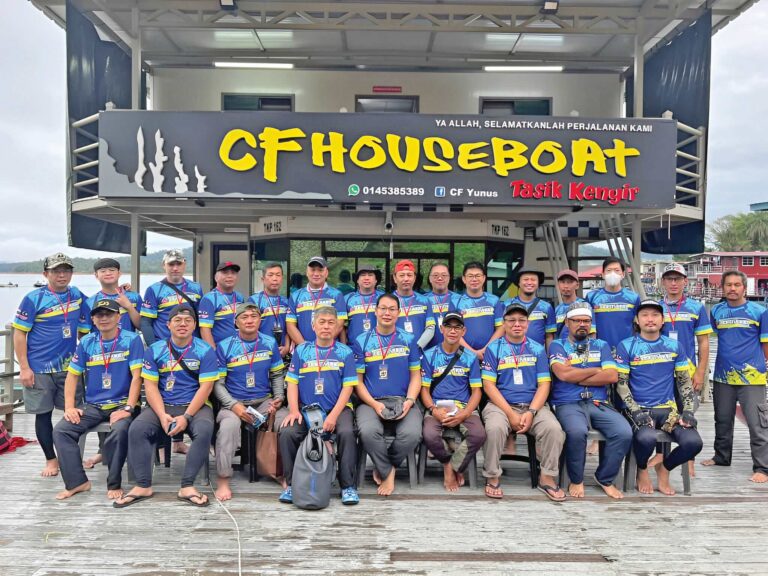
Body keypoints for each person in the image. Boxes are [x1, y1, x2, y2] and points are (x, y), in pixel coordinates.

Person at [114, 304, 218, 508]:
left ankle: (187, 486)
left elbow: (206, 388)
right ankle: (143, 485)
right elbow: (150, 386)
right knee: (137, 429)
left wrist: (186, 417)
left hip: (194, 406)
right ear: (168, 325)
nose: (182, 324)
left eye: (188, 321)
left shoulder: (205, 350)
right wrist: (162, 415)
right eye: (177, 320)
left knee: (205, 429)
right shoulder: (155, 349)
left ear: (194, 325)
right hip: (162, 405)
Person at [52, 299, 144, 500]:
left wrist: (128, 408)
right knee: (62, 430)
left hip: (123, 404)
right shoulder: (87, 342)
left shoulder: (132, 340)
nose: (104, 318)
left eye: (108, 314)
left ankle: (114, 483)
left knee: (119, 431)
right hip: (94, 406)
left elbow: (137, 377)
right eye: (99, 315)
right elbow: (72, 376)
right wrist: (69, 407)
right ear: (93, 319)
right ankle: (78, 482)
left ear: (118, 317)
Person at [615, 300, 703, 495]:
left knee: (693, 443)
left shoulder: (674, 346)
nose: (650, 319)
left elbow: (684, 382)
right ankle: (642, 469)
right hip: (639, 410)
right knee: (646, 438)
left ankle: (664, 468)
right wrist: (635, 410)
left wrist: (688, 410)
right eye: (645, 315)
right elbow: (621, 384)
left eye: (655, 315)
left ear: (663, 321)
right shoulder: (626, 346)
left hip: (668, 411)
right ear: (637, 320)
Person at [481, 303, 565, 501]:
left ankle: (547, 477)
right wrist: (510, 413)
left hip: (533, 405)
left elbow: (544, 384)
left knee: (554, 429)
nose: (516, 324)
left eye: (521, 320)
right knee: (494, 429)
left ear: (528, 324)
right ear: (504, 324)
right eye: (511, 320)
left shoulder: (537, 349)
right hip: (501, 405)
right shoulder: (494, 348)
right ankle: (492, 475)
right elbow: (488, 385)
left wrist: (532, 411)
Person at [12, 253, 86, 477]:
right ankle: (51, 460)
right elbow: (19, 333)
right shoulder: (33, 298)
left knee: (74, 414)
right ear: (46, 274)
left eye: (66, 270)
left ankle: (69, 458)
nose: (62, 275)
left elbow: (99, 308)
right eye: (56, 271)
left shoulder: (77, 295)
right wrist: (24, 367)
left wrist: (122, 290)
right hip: (39, 368)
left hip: (69, 368)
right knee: (43, 415)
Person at [549, 302, 632, 499]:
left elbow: (612, 376)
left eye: (586, 321)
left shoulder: (601, 345)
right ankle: (576, 479)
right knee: (577, 432)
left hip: (598, 402)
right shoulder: (558, 345)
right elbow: (562, 374)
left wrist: (575, 374)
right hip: (568, 402)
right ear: (567, 323)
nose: (582, 324)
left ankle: (604, 477)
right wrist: (596, 370)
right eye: (577, 320)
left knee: (624, 432)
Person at [279, 306, 360, 505]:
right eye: (321, 322)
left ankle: (348, 486)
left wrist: (333, 416)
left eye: (331, 323)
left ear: (337, 327)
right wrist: (294, 410)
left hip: (337, 409)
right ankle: (291, 485)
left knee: (347, 433)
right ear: (313, 326)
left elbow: (348, 387)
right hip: (307, 409)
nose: (326, 326)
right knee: (287, 432)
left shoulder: (345, 352)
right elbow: (292, 383)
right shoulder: (301, 351)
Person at [214, 303, 286, 501]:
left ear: (260, 321)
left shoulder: (269, 342)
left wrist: (278, 398)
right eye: (244, 317)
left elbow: (277, 374)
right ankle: (223, 479)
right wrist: (234, 406)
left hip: (263, 401)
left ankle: (284, 473)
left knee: (287, 423)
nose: (249, 320)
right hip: (233, 403)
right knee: (228, 427)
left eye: (254, 316)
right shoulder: (224, 346)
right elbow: (218, 384)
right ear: (236, 322)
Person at [353, 293, 422, 496]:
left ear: (398, 313)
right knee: (368, 432)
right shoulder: (362, 340)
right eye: (383, 308)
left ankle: (386, 465)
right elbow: (357, 382)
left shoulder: (409, 339)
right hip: (370, 401)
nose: (387, 313)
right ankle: (388, 471)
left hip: (402, 399)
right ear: (375, 311)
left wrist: (410, 401)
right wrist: (374, 405)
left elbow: (416, 376)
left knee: (412, 434)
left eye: (392, 309)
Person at [703, 271, 768, 483]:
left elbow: (766, 345)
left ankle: (762, 467)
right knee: (722, 419)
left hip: (752, 377)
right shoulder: (717, 311)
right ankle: (721, 457)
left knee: (757, 423)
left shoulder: (760, 311)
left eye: (737, 285)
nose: (732, 288)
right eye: (728, 284)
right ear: (722, 287)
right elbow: (710, 337)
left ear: (744, 287)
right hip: (722, 376)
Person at [420, 312, 486, 492]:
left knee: (478, 434)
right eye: (448, 326)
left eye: (457, 327)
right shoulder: (429, 355)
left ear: (463, 331)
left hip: (463, 407)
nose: (453, 331)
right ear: (441, 329)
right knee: (429, 434)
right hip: (437, 407)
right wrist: (433, 410)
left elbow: (476, 391)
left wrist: (464, 414)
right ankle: (447, 464)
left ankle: (454, 466)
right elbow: (424, 390)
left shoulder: (470, 357)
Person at [658, 262, 712, 476]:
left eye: (677, 279)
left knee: (687, 413)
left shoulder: (696, 307)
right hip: (661, 371)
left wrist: (701, 372)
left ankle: (689, 458)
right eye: (669, 279)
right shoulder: (656, 308)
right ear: (663, 282)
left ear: (685, 281)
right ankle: (662, 455)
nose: (673, 283)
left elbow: (704, 342)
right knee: (663, 413)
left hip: (687, 372)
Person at [140, 249, 203, 345]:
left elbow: (202, 319)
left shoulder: (196, 288)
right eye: (171, 264)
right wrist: (154, 347)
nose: (175, 268)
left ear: (184, 264)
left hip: (192, 346)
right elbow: (146, 322)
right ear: (164, 265)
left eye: (179, 264)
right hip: (164, 345)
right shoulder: (153, 289)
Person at [449, 261, 504, 361]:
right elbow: (452, 331)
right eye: (470, 276)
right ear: (464, 279)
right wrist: (472, 352)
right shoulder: (455, 302)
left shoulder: (494, 300)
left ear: (484, 278)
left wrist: (486, 349)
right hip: (463, 354)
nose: (474, 279)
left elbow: (500, 328)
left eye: (478, 276)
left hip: (490, 353)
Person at [286, 256, 347, 344]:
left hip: (329, 348)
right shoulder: (295, 296)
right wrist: (306, 348)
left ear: (326, 273)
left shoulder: (336, 295)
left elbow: (339, 324)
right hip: (303, 349)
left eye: (320, 270)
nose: (316, 274)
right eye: (313, 270)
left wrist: (322, 344)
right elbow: (290, 326)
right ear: (307, 272)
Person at [586, 257, 641, 354]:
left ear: (623, 274)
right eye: (609, 270)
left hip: (627, 350)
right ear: (603, 274)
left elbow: (639, 326)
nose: (613, 274)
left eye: (617, 270)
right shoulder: (591, 297)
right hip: (599, 350)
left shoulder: (633, 298)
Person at [78, 258, 141, 334]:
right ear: (96, 275)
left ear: (119, 273)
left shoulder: (134, 297)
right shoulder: (90, 302)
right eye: (103, 271)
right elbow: (82, 334)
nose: (108, 273)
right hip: (101, 342)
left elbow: (142, 326)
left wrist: (129, 307)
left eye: (112, 270)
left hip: (128, 341)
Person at [249, 262, 292, 362]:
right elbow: (250, 328)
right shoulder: (254, 300)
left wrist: (287, 347)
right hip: (261, 352)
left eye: (278, 275)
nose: (274, 279)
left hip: (283, 352)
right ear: (263, 279)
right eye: (270, 275)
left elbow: (289, 327)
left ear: (282, 278)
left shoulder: (286, 301)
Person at [504, 268, 555, 349]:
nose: (529, 282)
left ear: (538, 283)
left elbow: (549, 336)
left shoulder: (546, 307)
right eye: (526, 279)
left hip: (537, 354)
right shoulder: (507, 304)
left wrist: (549, 355)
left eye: (533, 280)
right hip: (511, 353)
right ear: (518, 283)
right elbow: (501, 331)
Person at [198, 261, 245, 348]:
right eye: (225, 273)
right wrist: (213, 352)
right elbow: (205, 330)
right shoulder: (209, 299)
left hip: (239, 349)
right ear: (216, 277)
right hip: (221, 350)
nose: (230, 276)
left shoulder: (239, 297)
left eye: (233, 273)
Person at [391, 259, 436, 350]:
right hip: (396, 351)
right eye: (402, 275)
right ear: (395, 278)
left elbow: (430, 328)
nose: (406, 279)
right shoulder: (387, 301)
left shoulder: (425, 301)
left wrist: (417, 347)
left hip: (419, 352)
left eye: (409, 275)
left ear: (414, 278)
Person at [345, 264, 384, 344]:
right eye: (363, 275)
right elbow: (341, 326)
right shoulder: (347, 299)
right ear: (357, 280)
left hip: (379, 347)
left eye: (370, 275)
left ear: (376, 280)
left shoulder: (384, 298)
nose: (366, 278)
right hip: (354, 347)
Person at [554, 269, 594, 340]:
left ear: (577, 285)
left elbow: (592, 334)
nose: (566, 286)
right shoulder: (557, 309)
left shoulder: (585, 306)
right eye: (562, 282)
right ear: (558, 285)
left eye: (570, 282)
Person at [424, 263, 455, 347]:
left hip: (454, 350)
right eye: (435, 275)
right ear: (430, 278)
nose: (440, 278)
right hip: (428, 351)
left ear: (449, 278)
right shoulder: (422, 300)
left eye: (444, 275)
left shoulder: (459, 299)